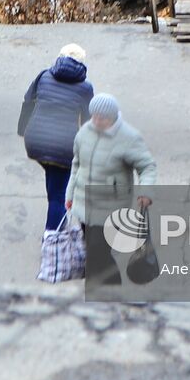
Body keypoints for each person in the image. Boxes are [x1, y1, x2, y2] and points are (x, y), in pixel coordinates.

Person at [66, 93, 157, 283]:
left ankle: (105, 291)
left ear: (113, 117)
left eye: (102, 118)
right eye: (94, 116)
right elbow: (76, 164)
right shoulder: (84, 132)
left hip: (110, 207)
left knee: (98, 252)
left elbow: (147, 166)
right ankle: (103, 290)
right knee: (93, 253)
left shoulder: (129, 138)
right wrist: (70, 194)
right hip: (83, 205)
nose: (97, 121)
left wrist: (146, 192)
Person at [18, 44, 93, 230]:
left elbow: (28, 101)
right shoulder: (85, 88)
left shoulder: (44, 76)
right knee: (59, 195)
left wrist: (22, 129)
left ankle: (58, 220)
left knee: (54, 178)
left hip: (35, 141)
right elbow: (88, 120)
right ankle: (52, 237)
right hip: (63, 147)